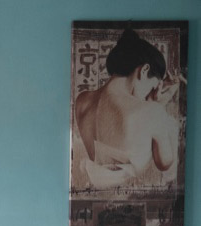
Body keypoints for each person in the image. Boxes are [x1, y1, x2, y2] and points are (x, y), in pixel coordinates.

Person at [73, 28, 184, 189]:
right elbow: (165, 163)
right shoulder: (152, 111)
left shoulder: (82, 100)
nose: (150, 93)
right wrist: (157, 106)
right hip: (124, 192)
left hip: (94, 187)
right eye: (152, 86)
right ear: (144, 70)